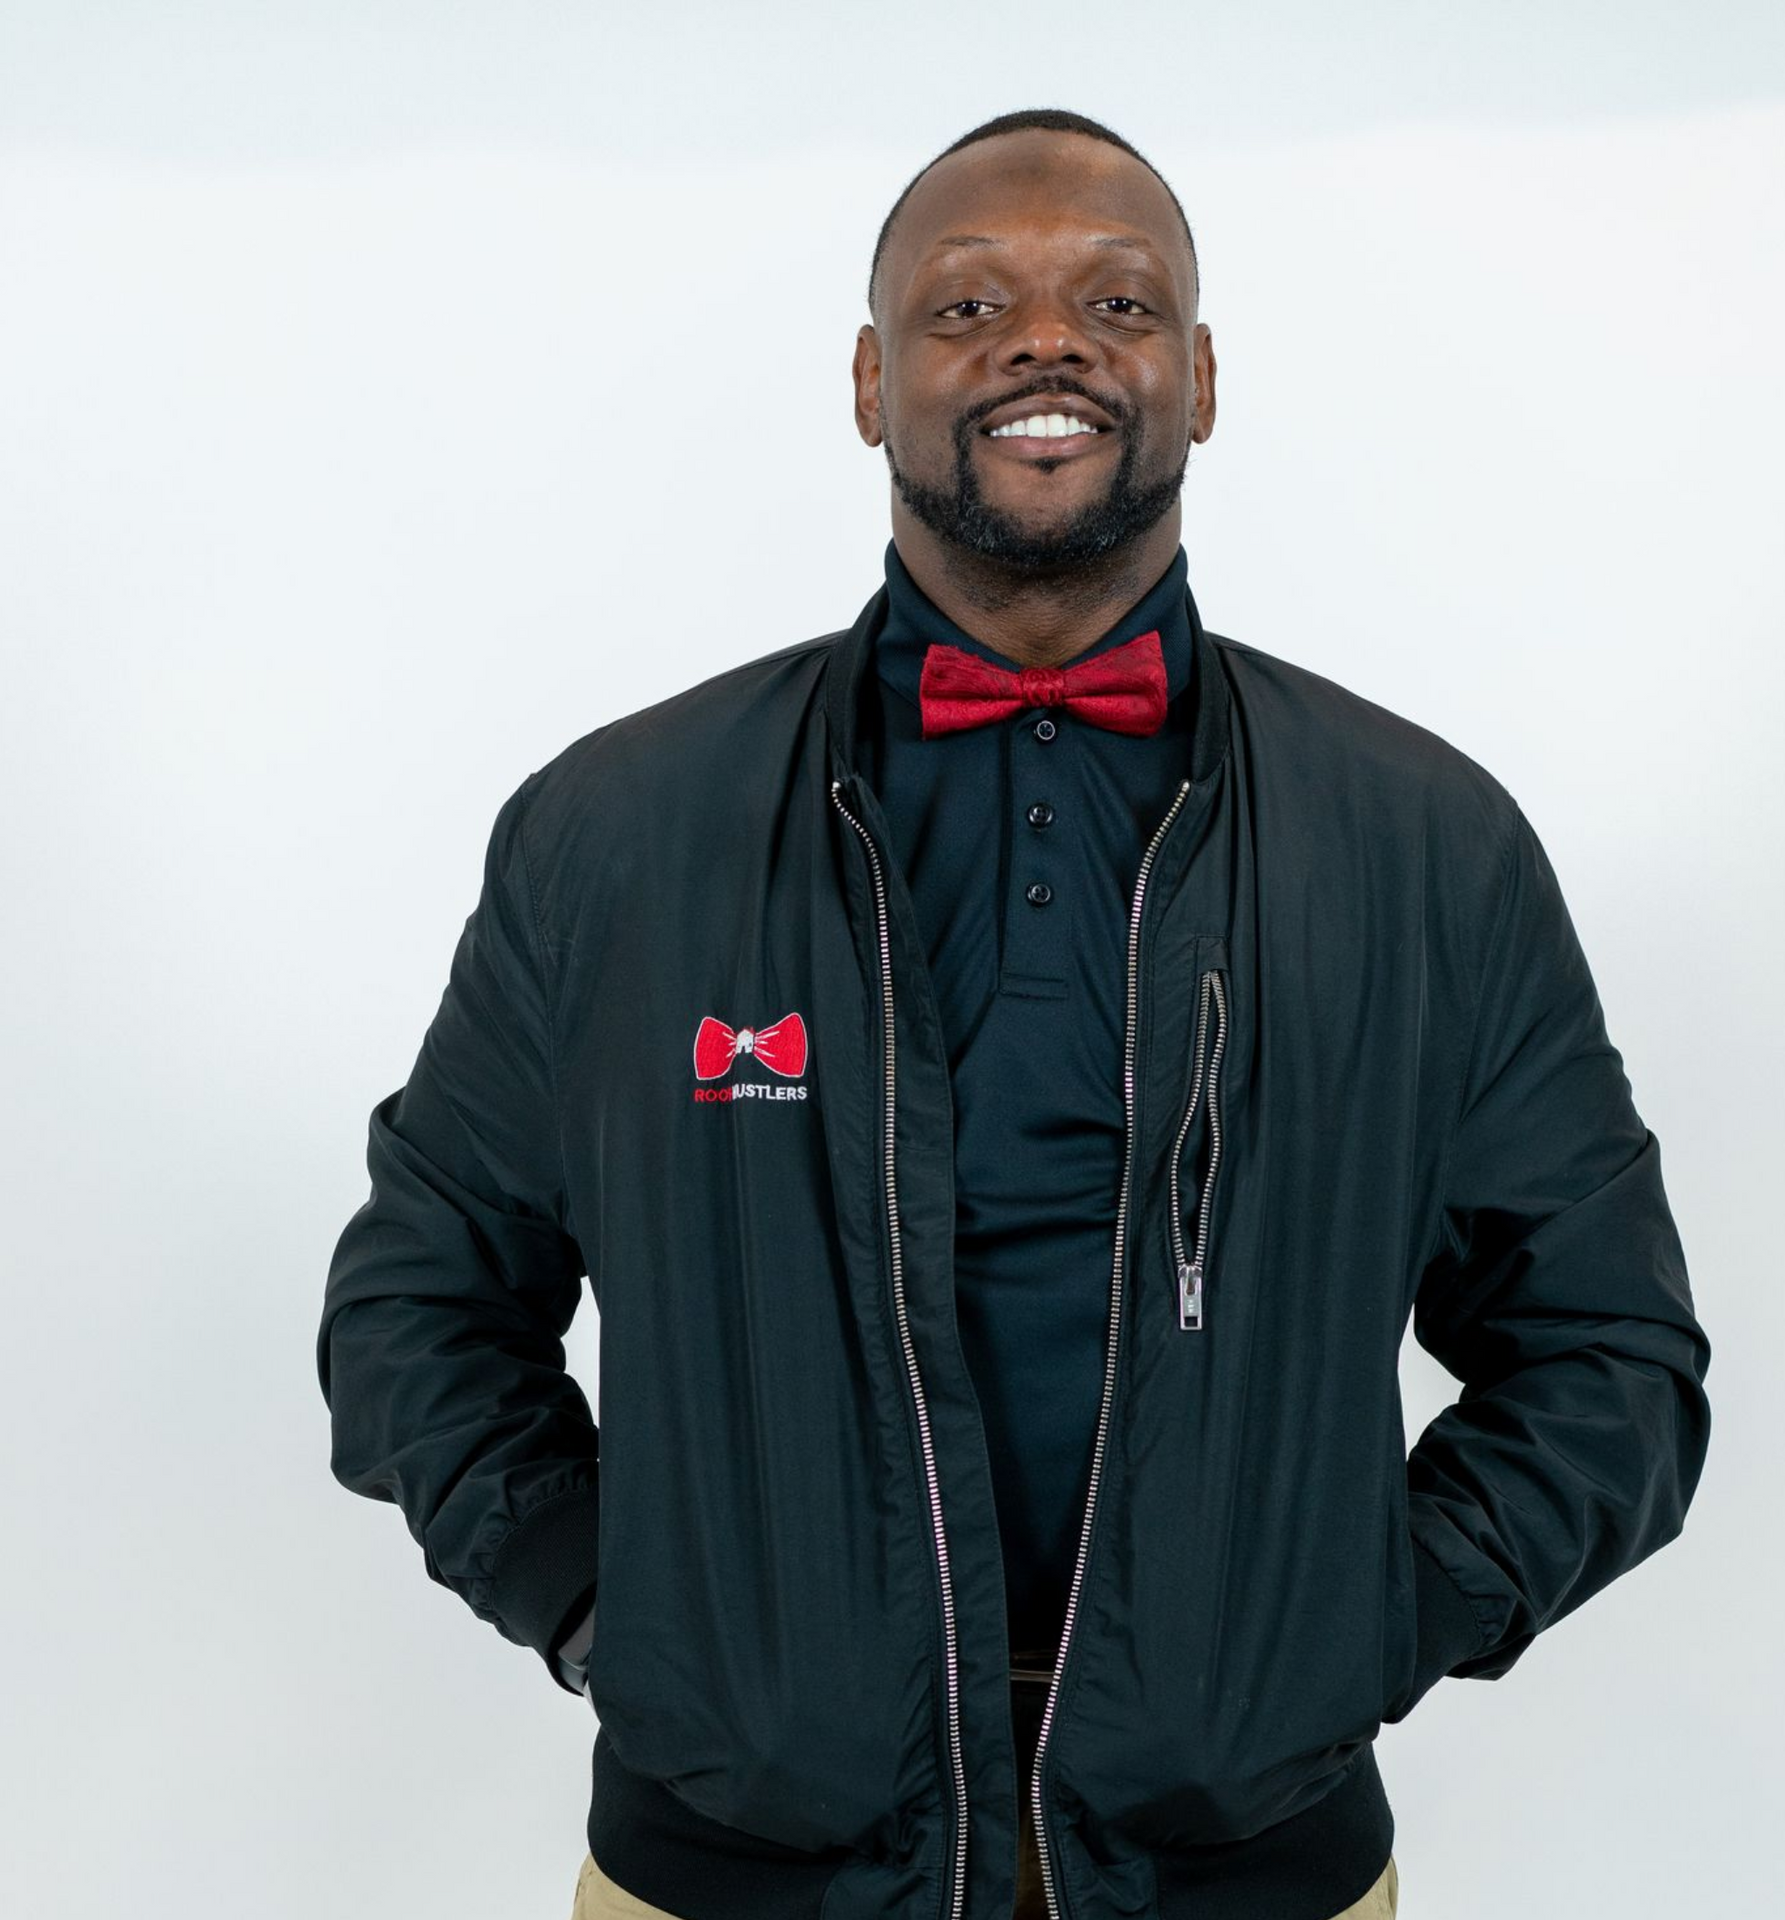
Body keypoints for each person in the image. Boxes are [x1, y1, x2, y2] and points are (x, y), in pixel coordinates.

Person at [317, 107, 1712, 1920]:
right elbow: (420, 1304)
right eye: (968, 306)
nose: (1047, 341)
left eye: (1117, 302)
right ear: (868, 382)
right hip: (732, 1874)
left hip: (1254, 1877)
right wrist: (611, 1608)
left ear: (1201, 378)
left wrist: (1363, 1628)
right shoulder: (622, 832)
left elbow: (1609, 1353)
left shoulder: (1423, 846)